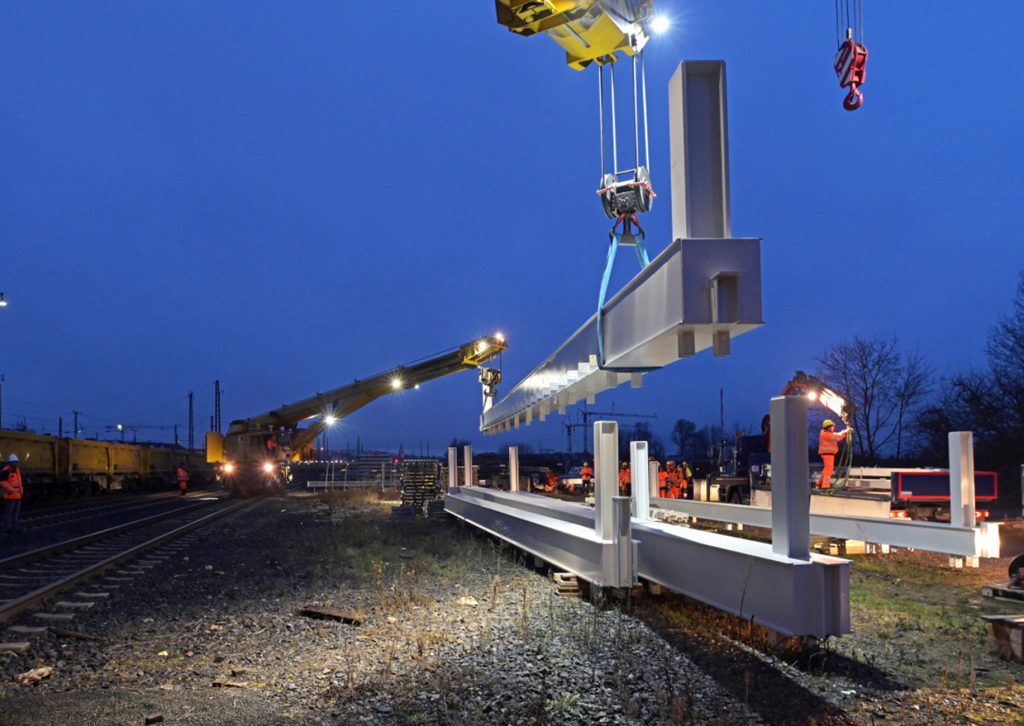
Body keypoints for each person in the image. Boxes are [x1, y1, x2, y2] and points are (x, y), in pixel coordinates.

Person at [818, 420, 852, 489]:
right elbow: (837, 437)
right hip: (828, 454)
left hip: (827, 454)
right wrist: (845, 432)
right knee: (829, 469)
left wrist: (845, 431)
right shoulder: (825, 434)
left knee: (826, 469)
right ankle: (825, 486)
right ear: (828, 427)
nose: (833, 428)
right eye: (832, 426)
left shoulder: (826, 434)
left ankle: (820, 483)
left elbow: (836, 434)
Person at [1, 454, 24, 532]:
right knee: (9, 513)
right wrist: (11, 490)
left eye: (16, 462)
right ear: (10, 463)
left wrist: (21, 491)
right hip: (10, 496)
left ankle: (15, 526)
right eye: (14, 462)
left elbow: (19, 483)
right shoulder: (6, 471)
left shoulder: (17, 471)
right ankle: (7, 527)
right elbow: (2, 483)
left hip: (17, 496)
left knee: (16, 513)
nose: (16, 464)